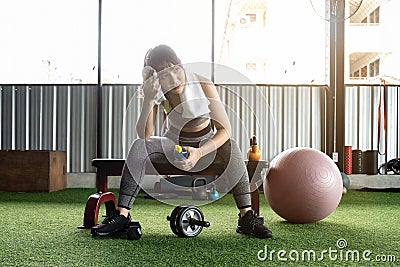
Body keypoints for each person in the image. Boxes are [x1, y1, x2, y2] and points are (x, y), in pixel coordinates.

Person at [92, 44, 272, 238]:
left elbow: (225, 129)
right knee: (139, 145)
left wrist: (199, 152)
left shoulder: (202, 83)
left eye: (176, 70)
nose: (173, 79)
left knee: (232, 145)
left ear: (181, 66)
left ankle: (246, 217)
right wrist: (149, 100)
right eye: (164, 75)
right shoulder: (159, 93)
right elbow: (144, 134)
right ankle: (122, 216)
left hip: (205, 145)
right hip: (174, 145)